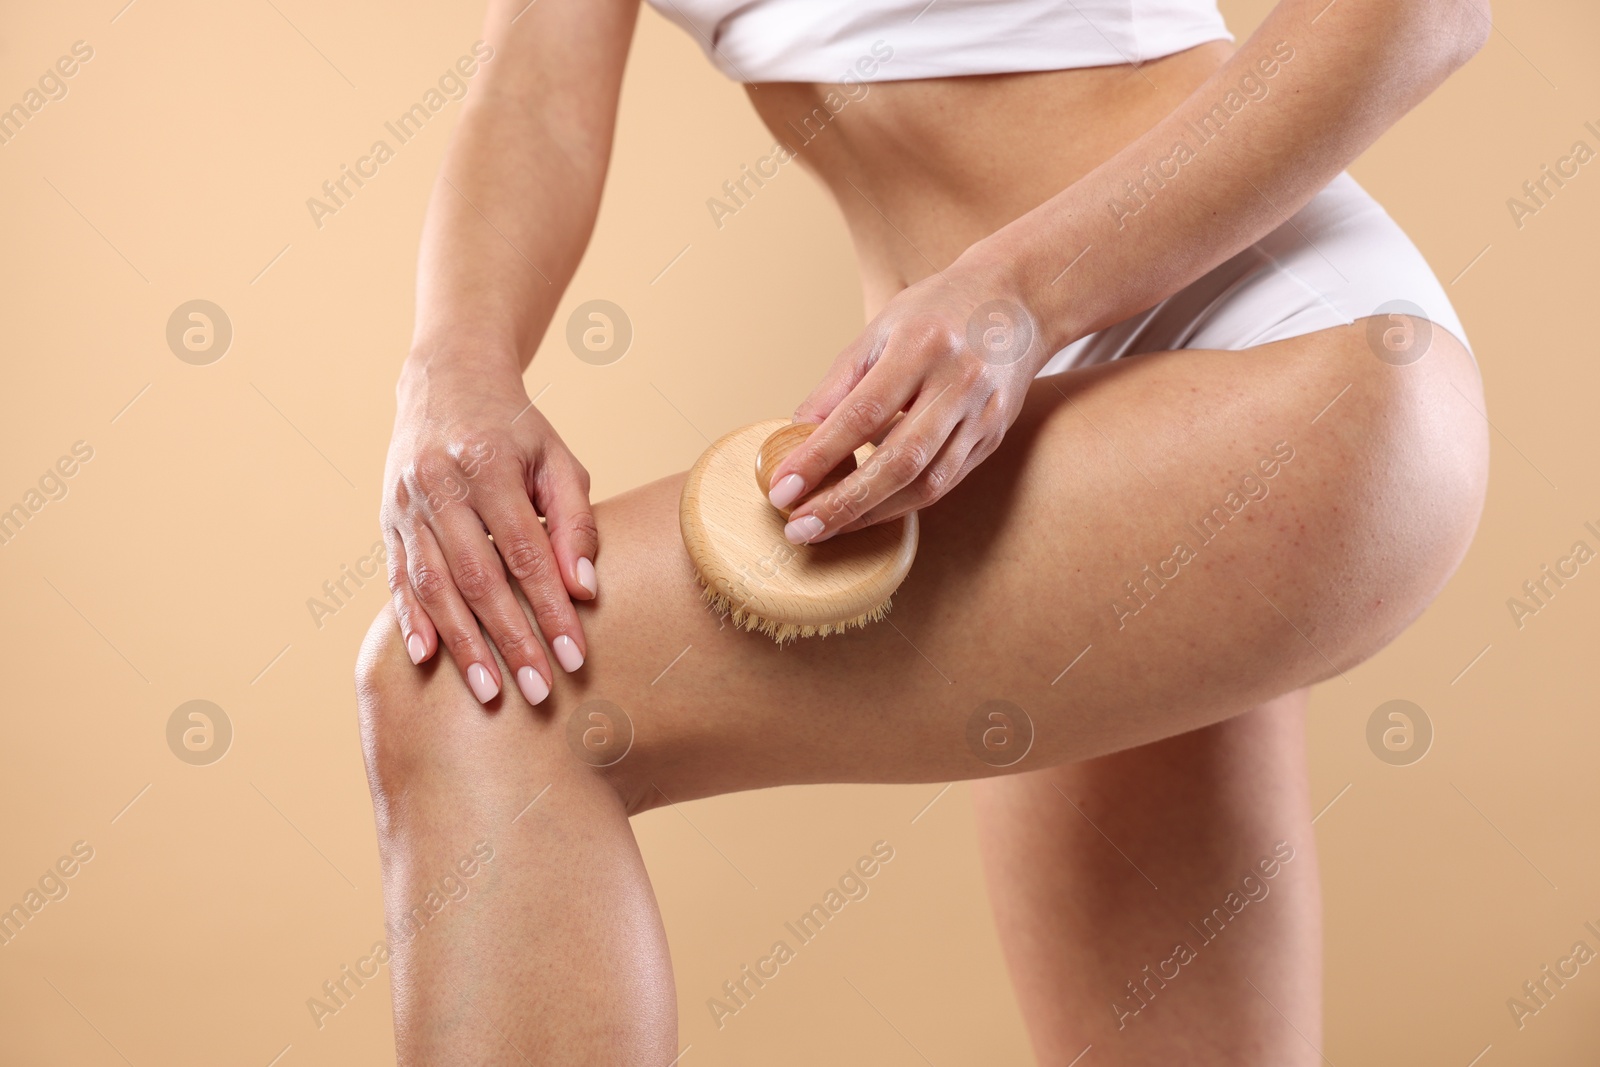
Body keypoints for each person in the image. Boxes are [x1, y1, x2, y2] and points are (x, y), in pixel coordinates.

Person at [357, 0, 1490, 1061]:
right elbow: (532, 96)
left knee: (478, 697)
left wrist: (1021, 294)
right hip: (1001, 418)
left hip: (1272, 348)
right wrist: (452, 363)